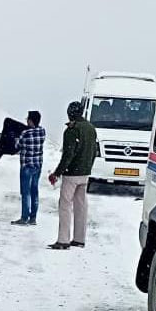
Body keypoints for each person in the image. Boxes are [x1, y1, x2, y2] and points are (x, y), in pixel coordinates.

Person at [47, 102, 98, 250]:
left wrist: (57, 173)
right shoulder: (91, 128)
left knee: (65, 205)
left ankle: (63, 240)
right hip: (85, 173)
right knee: (81, 206)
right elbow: (94, 152)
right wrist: (88, 167)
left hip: (72, 174)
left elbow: (68, 155)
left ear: (70, 113)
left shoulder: (72, 130)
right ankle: (79, 238)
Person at [12, 111, 46, 225]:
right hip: (37, 165)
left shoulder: (25, 133)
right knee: (34, 191)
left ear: (31, 121)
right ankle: (33, 218)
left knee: (25, 192)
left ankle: (24, 217)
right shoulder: (42, 132)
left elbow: (17, 146)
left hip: (26, 165)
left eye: (28, 119)